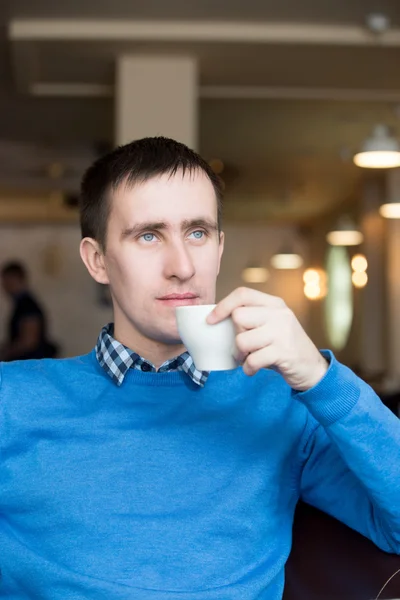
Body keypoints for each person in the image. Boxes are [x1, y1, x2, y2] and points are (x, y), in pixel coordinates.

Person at [0, 137, 398, 600]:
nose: (182, 266)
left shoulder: (279, 403)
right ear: (98, 260)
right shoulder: (13, 400)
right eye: (148, 235)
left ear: (219, 247)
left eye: (198, 233)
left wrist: (320, 379)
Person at [0, 261, 58, 361]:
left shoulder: (27, 306)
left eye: (7, 280)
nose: (4, 285)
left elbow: (29, 341)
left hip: (31, 364)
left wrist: (6, 352)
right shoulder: (22, 304)